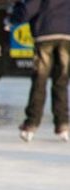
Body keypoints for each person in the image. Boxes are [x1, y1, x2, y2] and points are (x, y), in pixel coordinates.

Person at [9, 0, 70, 142]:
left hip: (45, 33)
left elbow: (29, 9)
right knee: (61, 81)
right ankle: (63, 123)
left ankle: (31, 123)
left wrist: (14, 17)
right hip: (67, 35)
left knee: (39, 81)